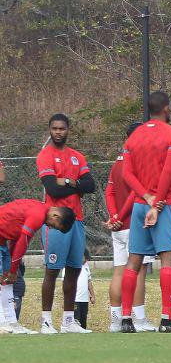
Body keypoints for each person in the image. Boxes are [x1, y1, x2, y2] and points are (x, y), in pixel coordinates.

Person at [116, 91, 171, 333]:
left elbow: (127, 174)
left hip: (138, 205)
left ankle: (126, 319)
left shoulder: (134, 138)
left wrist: (146, 198)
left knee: (134, 260)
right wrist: (156, 204)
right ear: (166, 109)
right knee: (169, 258)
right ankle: (167, 319)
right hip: (166, 205)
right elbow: (168, 172)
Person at [37, 113, 95, 333]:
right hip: (56, 223)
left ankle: (69, 321)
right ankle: (46, 321)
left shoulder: (77, 157)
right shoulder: (45, 156)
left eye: (62, 128)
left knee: (74, 270)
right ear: (50, 130)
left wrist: (69, 181)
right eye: (54, 128)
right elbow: (52, 189)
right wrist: (76, 185)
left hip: (77, 220)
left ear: (68, 129)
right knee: (52, 270)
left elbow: (90, 185)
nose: (58, 132)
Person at [104, 122, 156, 331]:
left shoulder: (117, 161)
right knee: (138, 271)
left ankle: (116, 320)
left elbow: (110, 191)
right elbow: (137, 193)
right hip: (134, 224)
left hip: (118, 227)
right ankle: (139, 318)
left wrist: (114, 217)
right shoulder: (137, 161)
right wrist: (122, 216)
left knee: (119, 271)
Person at [0, 200, 76, 334]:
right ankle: (1, 323)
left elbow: (19, 239)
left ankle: (11, 322)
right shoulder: (38, 214)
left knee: (7, 280)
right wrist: (13, 269)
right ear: (56, 216)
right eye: (55, 226)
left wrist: (13, 267)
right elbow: (23, 241)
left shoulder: (40, 210)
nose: (51, 228)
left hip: (2, 241)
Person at [72, 249, 94, 329]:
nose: (86, 260)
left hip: (84, 300)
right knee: (76, 319)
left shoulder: (86, 267)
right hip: (75, 299)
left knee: (83, 319)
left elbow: (89, 282)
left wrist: (92, 295)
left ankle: (83, 331)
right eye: (85, 258)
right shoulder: (71, 267)